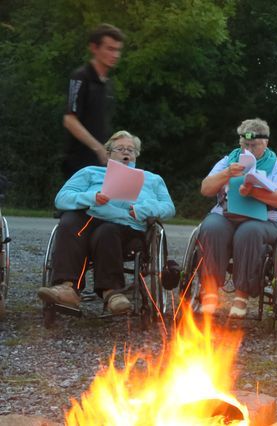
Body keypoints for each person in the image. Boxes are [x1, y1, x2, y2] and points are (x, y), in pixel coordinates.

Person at [37, 130, 175, 314]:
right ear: (109, 153)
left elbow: (168, 208)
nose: (126, 152)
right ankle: (66, 287)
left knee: (107, 232)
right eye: (120, 148)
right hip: (90, 220)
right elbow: (62, 198)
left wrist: (143, 209)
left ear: (136, 155)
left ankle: (112, 293)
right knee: (69, 220)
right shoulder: (90, 172)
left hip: (127, 226)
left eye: (131, 150)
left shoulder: (152, 179)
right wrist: (92, 197)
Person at [198, 118, 277, 318]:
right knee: (211, 228)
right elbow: (206, 189)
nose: (248, 149)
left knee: (249, 232)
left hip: (264, 219)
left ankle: (241, 295)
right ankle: (210, 291)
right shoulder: (228, 160)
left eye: (254, 145)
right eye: (245, 145)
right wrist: (226, 174)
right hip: (227, 215)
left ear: (265, 143)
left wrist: (254, 193)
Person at [62, 23, 125, 179]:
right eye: (110, 49)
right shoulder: (81, 77)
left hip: (101, 164)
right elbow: (70, 119)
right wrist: (98, 148)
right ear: (94, 48)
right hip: (79, 164)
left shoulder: (107, 84)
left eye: (118, 50)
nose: (115, 55)